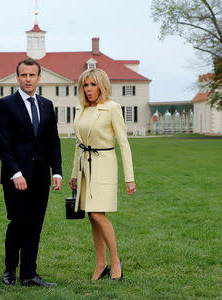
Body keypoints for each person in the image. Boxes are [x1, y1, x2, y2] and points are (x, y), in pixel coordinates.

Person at [0, 58, 62, 287]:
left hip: (41, 176)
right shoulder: (5, 104)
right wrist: (15, 173)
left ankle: (29, 274)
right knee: (18, 223)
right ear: (17, 77)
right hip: (16, 178)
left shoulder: (46, 104)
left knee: (35, 225)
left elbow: (53, 141)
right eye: (24, 75)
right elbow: (3, 142)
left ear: (39, 77)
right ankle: (10, 270)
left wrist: (57, 172)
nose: (28, 79)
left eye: (32, 75)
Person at [69, 68, 136, 280]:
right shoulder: (81, 108)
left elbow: (124, 143)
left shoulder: (112, 108)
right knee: (91, 216)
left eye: (93, 84)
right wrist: (73, 173)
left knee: (98, 214)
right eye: (85, 85)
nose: (89, 89)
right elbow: (79, 144)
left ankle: (116, 261)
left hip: (105, 164)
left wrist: (129, 177)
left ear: (102, 85)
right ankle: (101, 263)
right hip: (84, 167)